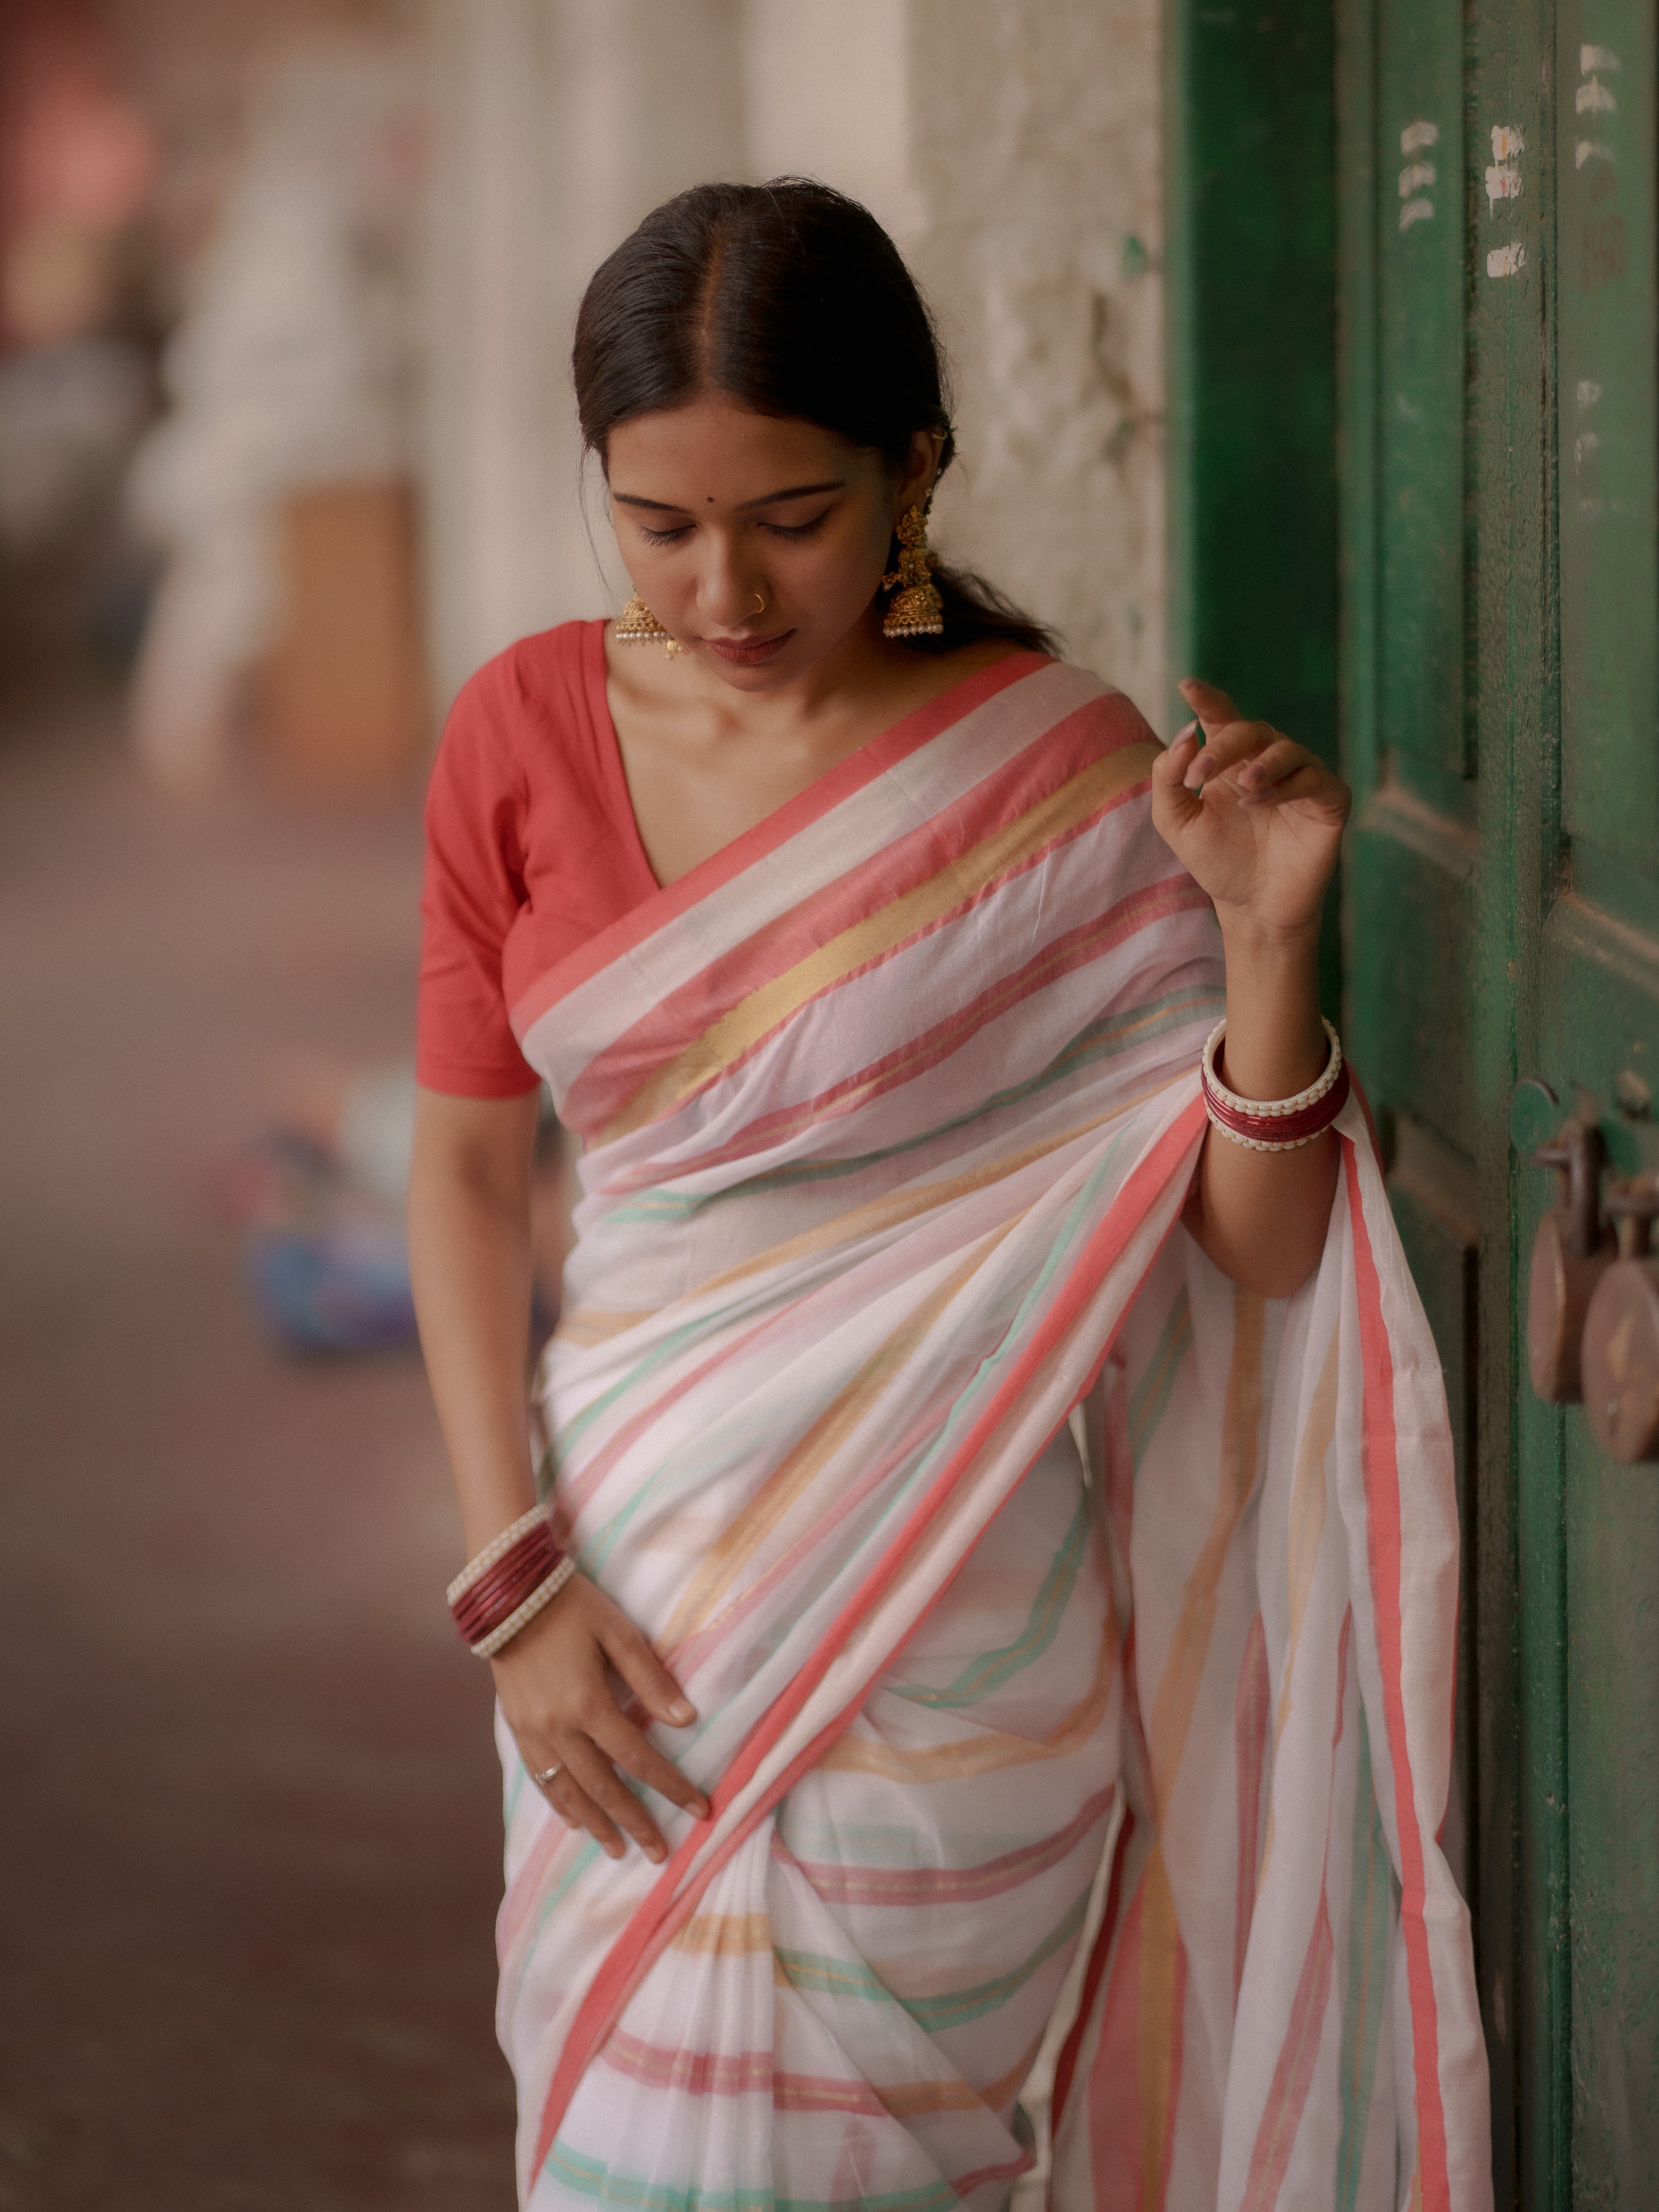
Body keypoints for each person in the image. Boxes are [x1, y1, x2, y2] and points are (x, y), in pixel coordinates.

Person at [408, 182, 1489, 2211]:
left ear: (912, 471)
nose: (722, 585)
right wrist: (511, 1587)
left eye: (790, 515)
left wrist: (1264, 948)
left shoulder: (1050, 777)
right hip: (615, 1607)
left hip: (950, 1646)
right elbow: (466, 1173)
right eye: (657, 524)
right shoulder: (518, 735)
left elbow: (1248, 1256)